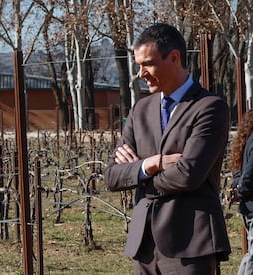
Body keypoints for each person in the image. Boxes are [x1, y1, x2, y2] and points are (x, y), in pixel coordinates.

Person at [104, 23, 231, 274]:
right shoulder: (140, 109)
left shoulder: (209, 107)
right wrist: (151, 163)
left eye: (147, 64)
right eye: (138, 65)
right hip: (144, 246)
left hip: (190, 245)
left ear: (174, 58)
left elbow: (188, 175)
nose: (141, 73)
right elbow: (112, 176)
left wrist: (137, 174)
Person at [230, 110, 253, 275]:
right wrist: (242, 190)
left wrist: (238, 190)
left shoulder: (246, 140)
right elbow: (250, 173)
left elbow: (239, 172)